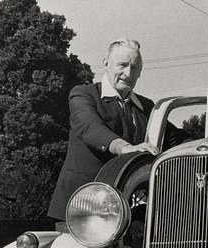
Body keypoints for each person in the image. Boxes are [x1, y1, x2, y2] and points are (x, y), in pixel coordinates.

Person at [48, 38, 158, 221]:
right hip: (82, 207)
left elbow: (175, 138)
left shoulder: (147, 107)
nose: (128, 74)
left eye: (135, 68)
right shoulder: (83, 94)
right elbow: (90, 127)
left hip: (127, 210)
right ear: (106, 64)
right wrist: (124, 148)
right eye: (122, 65)